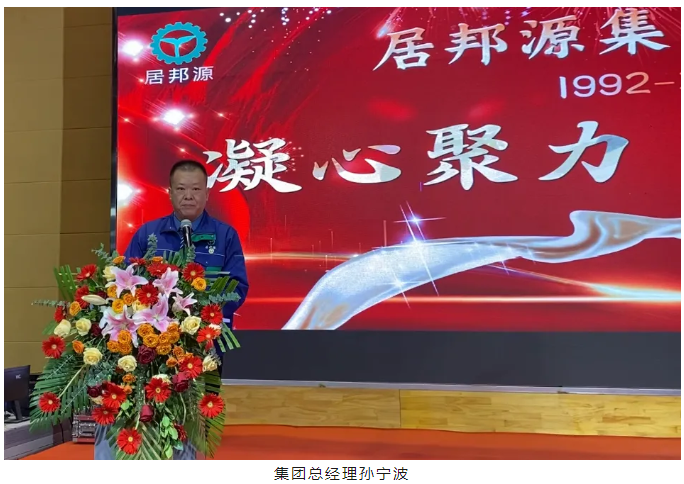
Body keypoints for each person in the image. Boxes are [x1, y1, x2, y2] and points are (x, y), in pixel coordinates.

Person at [124, 160, 249, 332]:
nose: (188, 196)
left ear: (207, 194)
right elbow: (127, 281)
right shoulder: (147, 233)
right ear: (170, 193)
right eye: (181, 189)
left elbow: (237, 288)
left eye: (196, 189)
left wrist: (198, 315)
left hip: (208, 335)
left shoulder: (226, 235)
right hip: (156, 337)